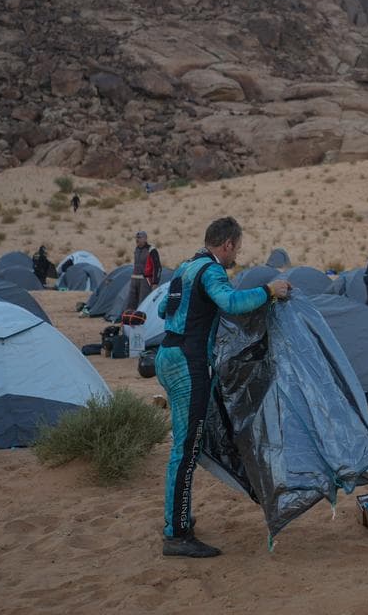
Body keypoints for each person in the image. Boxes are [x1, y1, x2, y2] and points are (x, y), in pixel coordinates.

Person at [154, 216, 291, 557]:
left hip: (167, 355)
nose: (236, 257)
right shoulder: (211, 271)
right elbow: (231, 303)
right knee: (185, 450)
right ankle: (177, 533)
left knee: (186, 446)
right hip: (188, 363)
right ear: (227, 244)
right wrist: (269, 291)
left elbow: (161, 308)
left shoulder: (185, 269)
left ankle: (178, 518)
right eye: (237, 249)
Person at [126, 231, 163, 313]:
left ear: (145, 239)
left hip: (145, 280)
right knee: (131, 303)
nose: (137, 240)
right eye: (136, 238)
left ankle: (142, 322)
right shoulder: (136, 249)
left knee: (143, 302)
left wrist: (155, 282)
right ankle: (129, 321)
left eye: (139, 238)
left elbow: (158, 267)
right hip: (134, 279)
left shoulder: (151, 250)